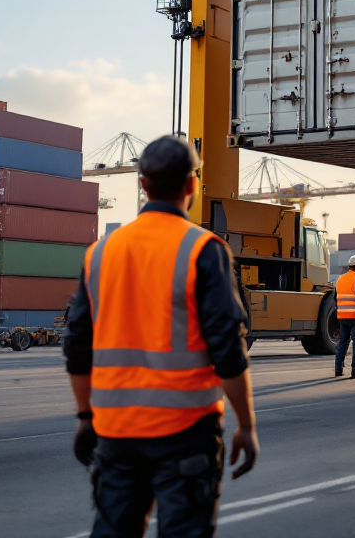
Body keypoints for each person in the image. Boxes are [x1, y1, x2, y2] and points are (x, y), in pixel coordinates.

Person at [63, 135, 259, 538]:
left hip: (115, 432)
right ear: (191, 184)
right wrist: (246, 425)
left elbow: (76, 344)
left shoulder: (100, 252)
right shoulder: (204, 249)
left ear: (142, 184)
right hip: (185, 433)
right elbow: (227, 347)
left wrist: (86, 417)